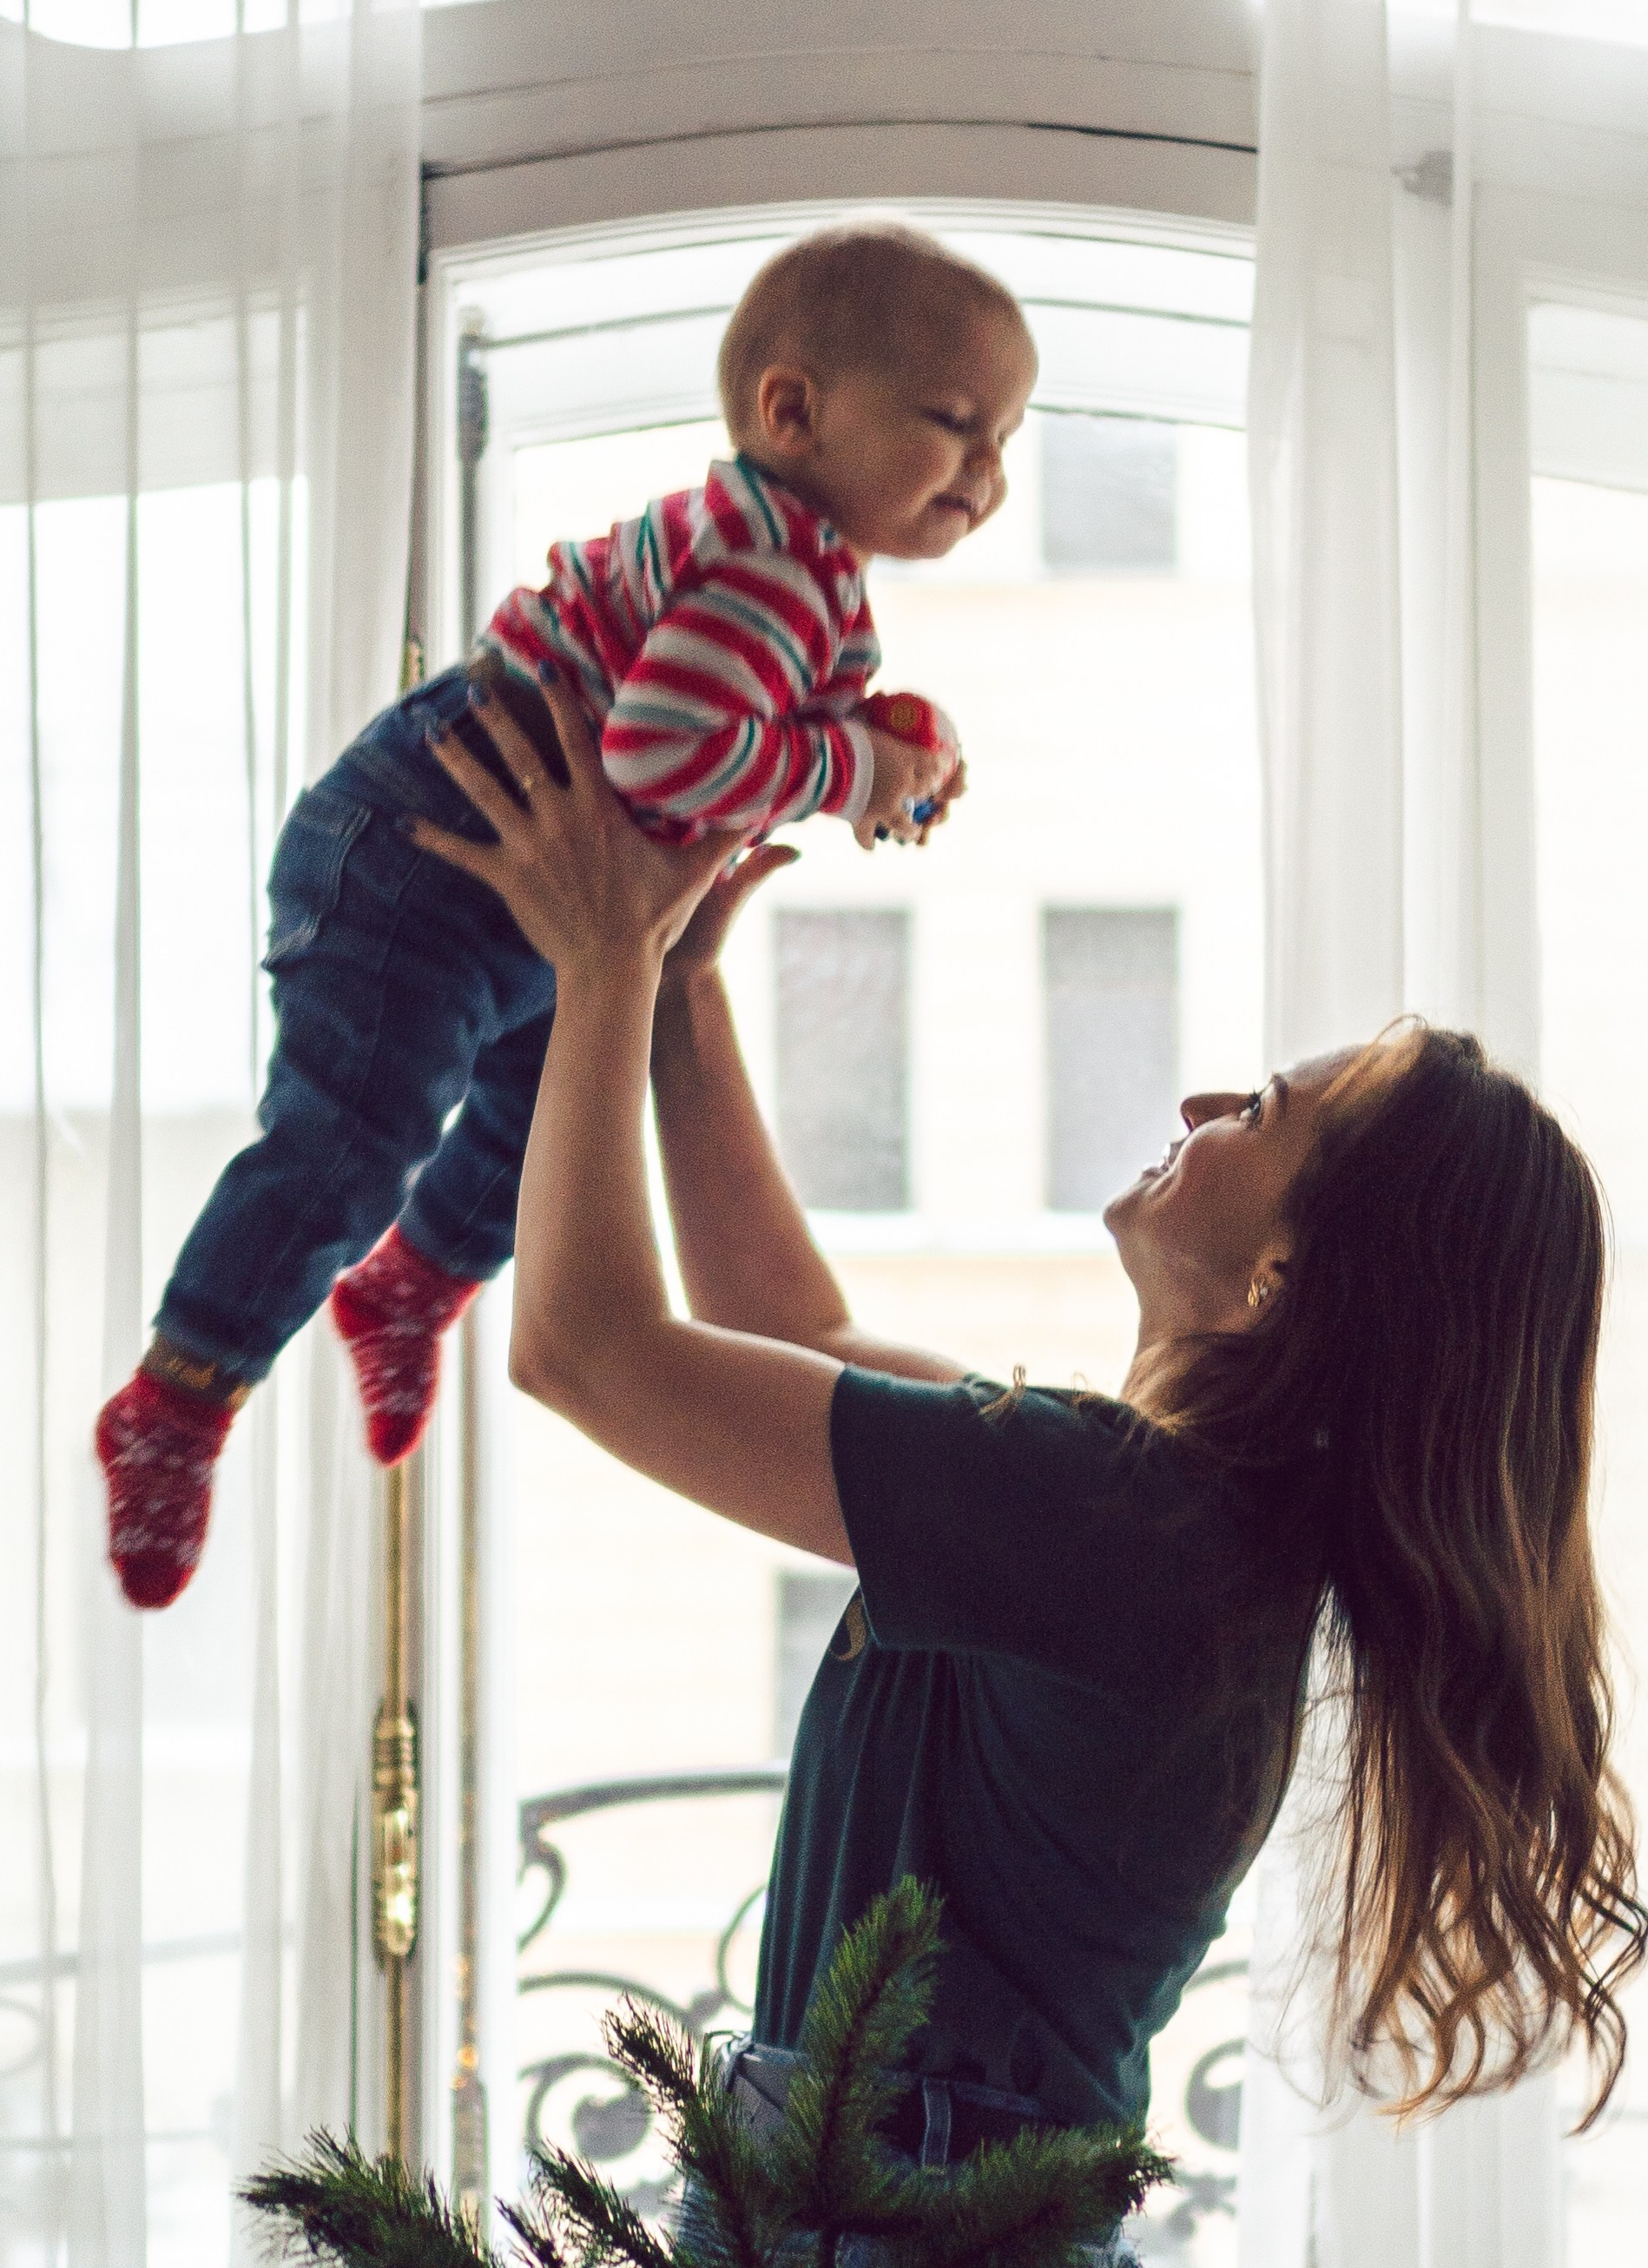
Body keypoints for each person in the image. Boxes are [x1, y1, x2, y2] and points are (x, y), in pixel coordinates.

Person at [403, 670, 1648, 2268]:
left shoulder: (1128, 1524)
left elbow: (589, 1345)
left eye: (1272, 1111)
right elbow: (781, 1326)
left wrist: (603, 951)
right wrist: (693, 987)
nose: (1208, 1101)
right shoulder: (1139, 1512)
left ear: (1291, 1286)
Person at [94, 221, 1035, 1612]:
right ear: (793, 410)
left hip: (510, 885)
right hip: (418, 861)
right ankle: (182, 1388)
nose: (988, 477)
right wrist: (852, 770)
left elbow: (740, 728)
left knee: (543, 1132)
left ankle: (410, 1286)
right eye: (956, 426)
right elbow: (666, 754)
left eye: (1007, 441)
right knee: (357, 1137)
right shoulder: (770, 566)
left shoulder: (794, 564)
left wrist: (878, 738)